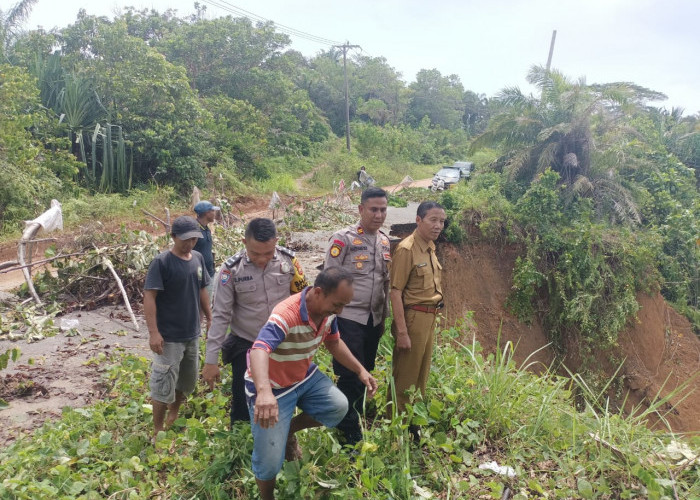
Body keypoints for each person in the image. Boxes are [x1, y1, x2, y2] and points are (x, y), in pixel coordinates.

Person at [247, 267, 378, 500]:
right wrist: (264, 392)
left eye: (344, 305)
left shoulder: (329, 313)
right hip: (273, 385)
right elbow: (259, 349)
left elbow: (334, 343)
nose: (340, 310)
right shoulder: (286, 314)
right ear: (318, 292)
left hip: (303, 376)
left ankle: (288, 431)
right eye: (337, 304)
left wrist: (360, 370)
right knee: (269, 461)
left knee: (338, 406)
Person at [202, 218, 308, 425]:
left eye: (268, 253)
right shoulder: (230, 270)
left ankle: (284, 440)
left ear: (276, 242)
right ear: (244, 242)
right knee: (243, 404)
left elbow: (303, 301)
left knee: (284, 397)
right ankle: (240, 446)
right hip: (247, 346)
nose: (262, 259)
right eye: (255, 253)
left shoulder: (289, 262)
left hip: (283, 346)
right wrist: (210, 360)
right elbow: (221, 316)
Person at [323, 187, 390, 445]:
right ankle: (348, 432)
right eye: (373, 209)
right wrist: (329, 318)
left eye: (383, 209)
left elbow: (385, 283)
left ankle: (355, 415)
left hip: (373, 320)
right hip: (349, 317)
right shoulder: (344, 239)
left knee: (366, 370)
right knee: (351, 375)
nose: (378, 214)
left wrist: (383, 318)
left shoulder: (384, 241)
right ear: (361, 209)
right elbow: (329, 278)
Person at [143, 215, 212, 440]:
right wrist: (154, 332)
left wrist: (210, 317)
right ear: (173, 237)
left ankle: (174, 413)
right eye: (185, 239)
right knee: (163, 383)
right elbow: (149, 297)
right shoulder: (162, 262)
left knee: (186, 379)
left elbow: (202, 289)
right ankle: (157, 428)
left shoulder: (198, 259)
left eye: (193, 239)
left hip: (192, 333)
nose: (189, 243)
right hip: (169, 336)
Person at [388, 201, 446, 438]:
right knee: (405, 375)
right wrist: (402, 331)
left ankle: (413, 424)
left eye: (442, 221)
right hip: (413, 319)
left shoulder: (429, 247)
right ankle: (397, 429)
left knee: (421, 375)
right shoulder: (407, 249)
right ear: (419, 220)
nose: (438, 225)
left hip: (429, 318)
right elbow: (395, 292)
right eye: (433, 220)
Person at [192, 200, 221, 291]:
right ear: (207, 213)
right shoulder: (194, 230)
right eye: (212, 211)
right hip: (199, 275)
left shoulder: (206, 228)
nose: (214, 213)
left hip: (209, 272)